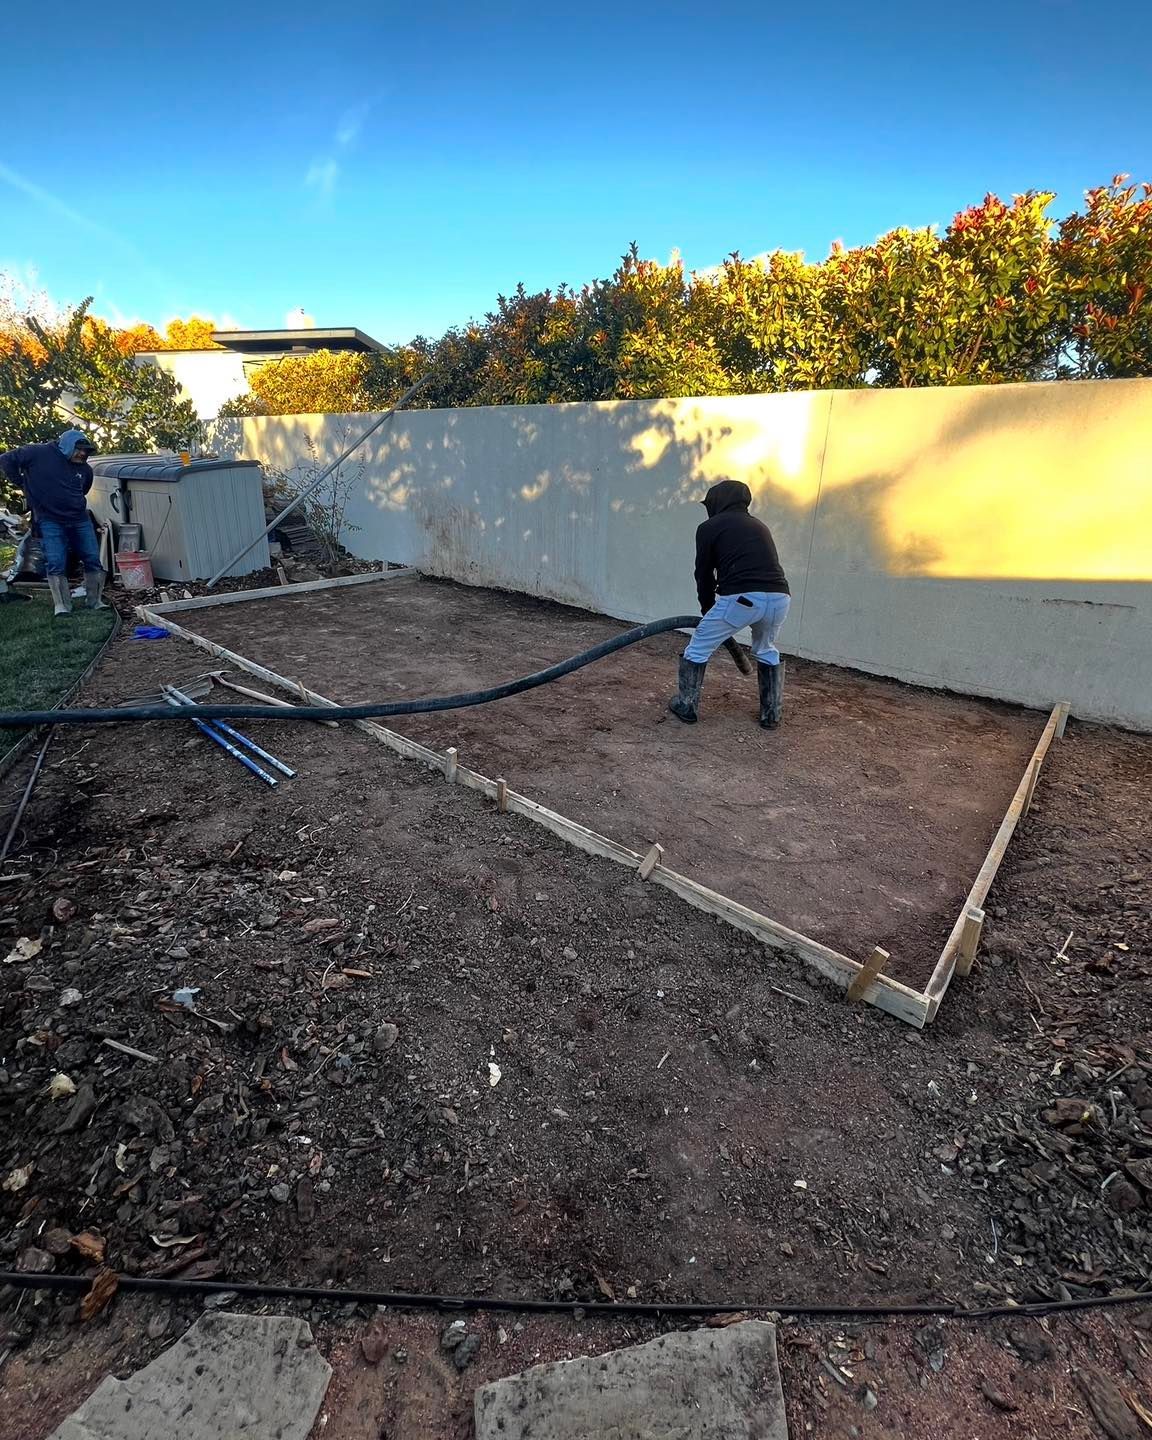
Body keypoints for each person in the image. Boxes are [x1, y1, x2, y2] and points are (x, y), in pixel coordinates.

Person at [669, 479, 790, 729]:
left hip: (742, 598)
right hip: (780, 598)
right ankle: (771, 714)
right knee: (766, 649)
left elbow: (703, 574)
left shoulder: (709, 527)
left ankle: (686, 705)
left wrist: (707, 609)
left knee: (699, 647)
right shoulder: (760, 526)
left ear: (716, 502)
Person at [0, 429, 107, 616]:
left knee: (92, 558)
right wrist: (21, 483)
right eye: (80, 449)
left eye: (87, 451)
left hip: (79, 519)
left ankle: (95, 601)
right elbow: (6, 459)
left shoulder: (84, 469)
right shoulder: (37, 453)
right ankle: (62, 606)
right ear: (67, 446)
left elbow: (84, 489)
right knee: (56, 561)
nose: (83, 454)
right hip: (50, 520)